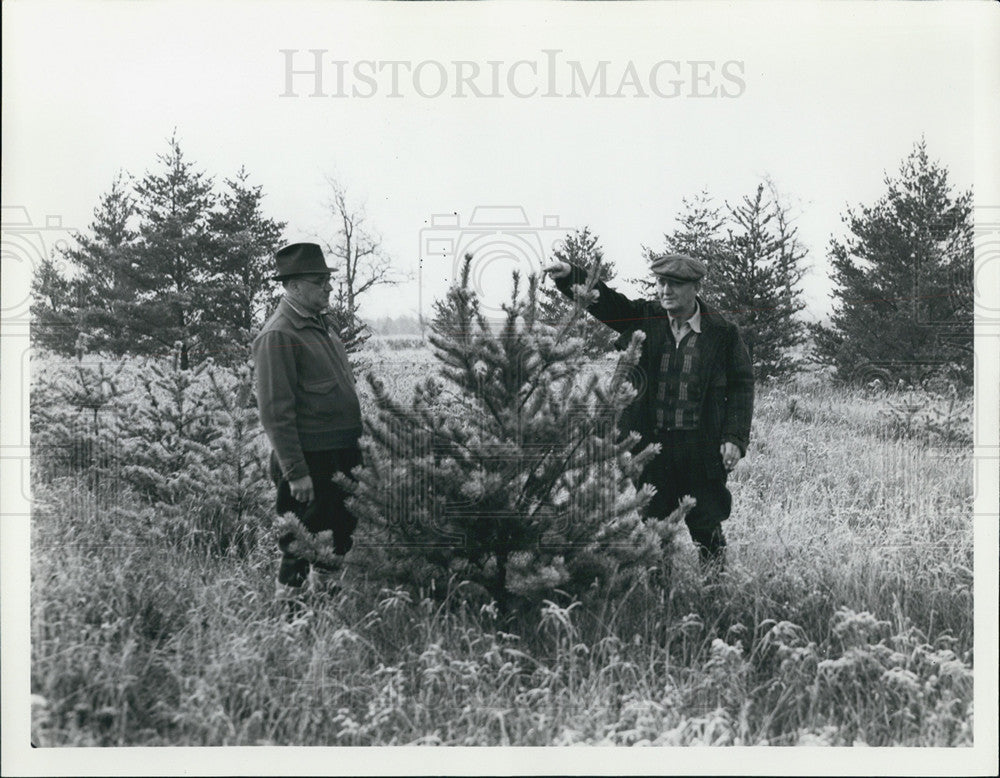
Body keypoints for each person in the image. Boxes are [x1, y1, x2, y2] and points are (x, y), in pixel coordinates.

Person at [544, 253, 754, 573]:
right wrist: (571, 275)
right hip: (652, 447)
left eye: (675, 284)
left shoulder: (722, 332)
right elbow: (606, 302)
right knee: (655, 526)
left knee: (707, 524)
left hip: (701, 448)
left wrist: (734, 438)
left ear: (696, 287)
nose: (665, 290)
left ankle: (714, 595)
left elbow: (741, 386)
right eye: (661, 282)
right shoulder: (645, 317)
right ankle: (660, 598)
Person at [252, 242, 363, 591]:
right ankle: (292, 621)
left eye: (328, 280)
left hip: (340, 455)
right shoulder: (279, 334)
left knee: (337, 538)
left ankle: (325, 615)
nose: (329, 287)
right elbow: (275, 412)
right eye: (320, 281)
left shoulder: (321, 327)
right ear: (295, 286)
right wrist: (296, 472)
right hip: (310, 462)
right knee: (300, 544)